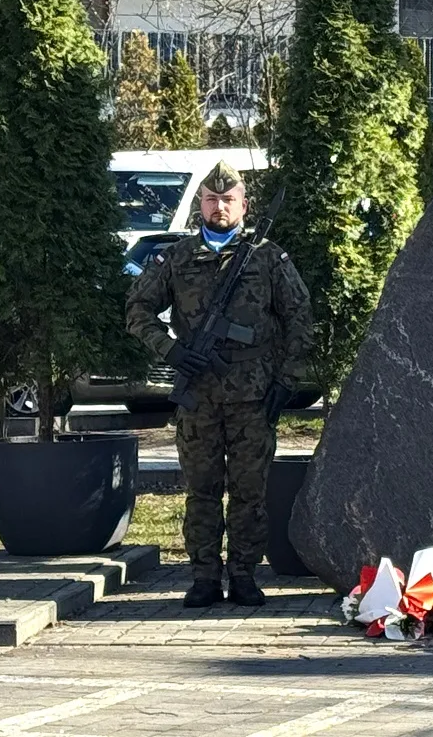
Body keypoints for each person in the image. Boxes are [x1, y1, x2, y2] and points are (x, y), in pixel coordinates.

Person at [125, 161, 312, 608]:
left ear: (243, 204)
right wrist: (170, 350)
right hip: (199, 396)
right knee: (202, 491)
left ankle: (244, 575)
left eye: (228, 200)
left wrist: (286, 381)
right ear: (200, 205)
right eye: (211, 199)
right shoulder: (178, 257)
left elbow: (300, 317)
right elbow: (137, 312)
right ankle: (204, 577)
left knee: (250, 492)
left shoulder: (267, 256)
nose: (220, 207)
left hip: (253, 396)